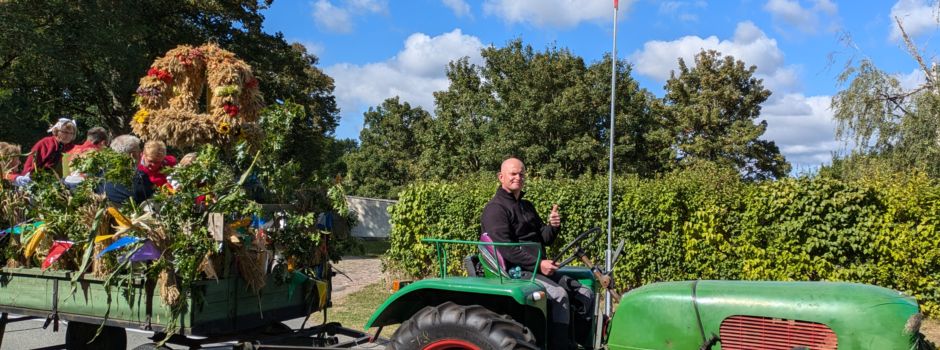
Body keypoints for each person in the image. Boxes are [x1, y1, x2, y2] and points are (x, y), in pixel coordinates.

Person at [480, 157, 591, 350]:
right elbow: (506, 249)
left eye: (521, 174)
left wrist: (554, 226)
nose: (518, 177)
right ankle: (560, 345)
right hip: (516, 270)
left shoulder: (526, 206)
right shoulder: (495, 209)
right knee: (558, 294)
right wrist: (538, 265)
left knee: (584, 291)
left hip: (536, 267)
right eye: (513, 174)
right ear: (501, 177)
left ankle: (582, 342)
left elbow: (544, 238)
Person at [97, 135, 152, 205]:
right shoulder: (139, 179)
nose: (141, 155)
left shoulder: (100, 173)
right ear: (133, 155)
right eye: (139, 151)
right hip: (129, 214)